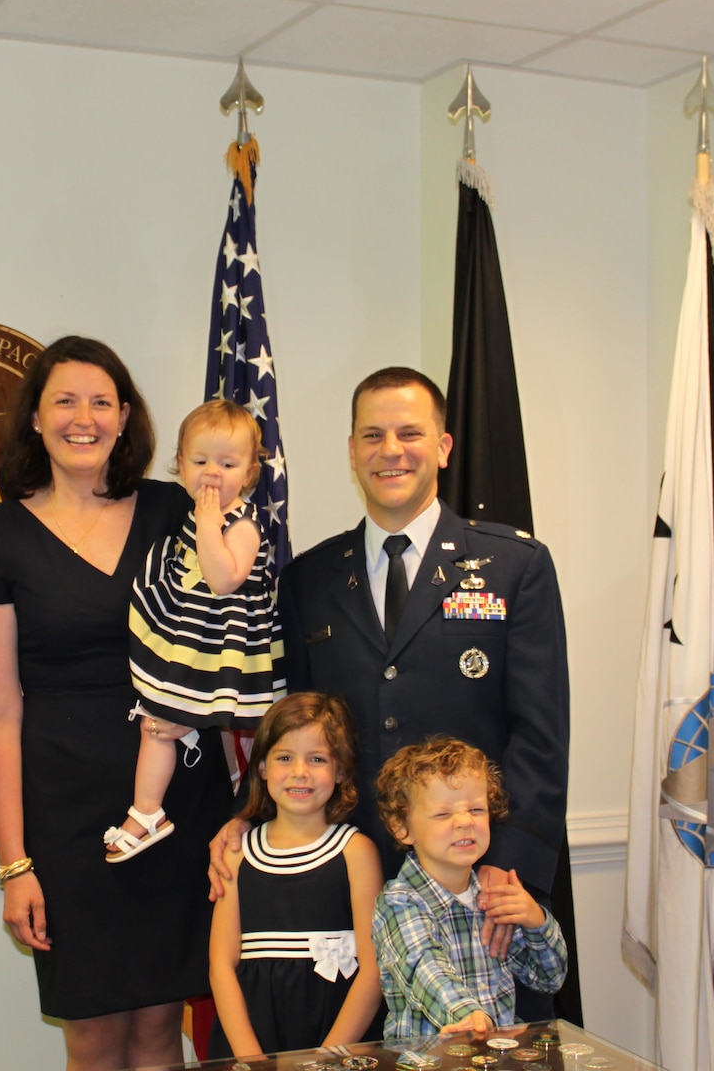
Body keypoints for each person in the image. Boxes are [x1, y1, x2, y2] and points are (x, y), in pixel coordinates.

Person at [209, 366, 570, 1019]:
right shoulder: (310, 578)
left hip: (473, 888)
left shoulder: (516, 567)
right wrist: (245, 814)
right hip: (344, 889)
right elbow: (291, 725)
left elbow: (540, 735)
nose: (390, 449)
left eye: (410, 432)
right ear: (352, 451)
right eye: (372, 435)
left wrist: (505, 865)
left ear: (443, 446)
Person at [0, 337, 230, 1071]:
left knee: (159, 1028)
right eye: (65, 401)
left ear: (125, 417)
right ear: (37, 420)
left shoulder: (177, 509)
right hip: (67, 820)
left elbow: (230, 636)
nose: (85, 418)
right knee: (93, 1036)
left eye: (101, 402)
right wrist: (16, 864)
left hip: (176, 804)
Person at [108, 399, 284, 861]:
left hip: (220, 648)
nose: (212, 474)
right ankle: (147, 810)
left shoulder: (242, 524)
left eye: (227, 464)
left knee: (156, 723)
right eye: (201, 461)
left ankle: (147, 810)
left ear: (249, 473)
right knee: (154, 724)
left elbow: (224, 579)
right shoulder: (190, 514)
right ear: (180, 465)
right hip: (191, 635)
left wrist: (208, 523)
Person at [208, 693, 382, 1059]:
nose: (300, 771)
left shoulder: (356, 851)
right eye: (285, 757)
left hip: (337, 1035)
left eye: (317, 759)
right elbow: (221, 964)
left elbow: (373, 968)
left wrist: (328, 1057)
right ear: (262, 767)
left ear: (340, 771)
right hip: (253, 1037)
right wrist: (250, 1058)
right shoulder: (238, 853)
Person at [371, 737, 566, 1039]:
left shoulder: (492, 898)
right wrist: (468, 1015)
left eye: (476, 810)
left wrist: (535, 921)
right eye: (443, 814)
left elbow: (549, 978)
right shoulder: (399, 902)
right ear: (402, 827)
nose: (464, 822)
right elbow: (424, 967)